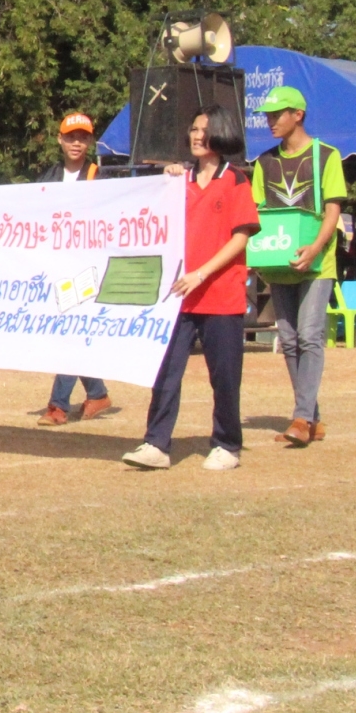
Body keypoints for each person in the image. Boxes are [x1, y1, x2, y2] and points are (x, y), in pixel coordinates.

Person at [124, 106, 259, 472]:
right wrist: (166, 178)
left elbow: (241, 237)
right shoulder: (179, 179)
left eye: (204, 130)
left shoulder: (236, 181)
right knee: (166, 374)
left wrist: (201, 273)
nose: (197, 136)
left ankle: (227, 444)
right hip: (178, 298)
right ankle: (156, 443)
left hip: (222, 296)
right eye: (194, 129)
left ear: (221, 133)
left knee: (224, 377)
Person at [251, 86, 347, 444]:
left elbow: (333, 210)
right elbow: (256, 211)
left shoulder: (326, 156)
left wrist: (315, 247)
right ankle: (311, 417)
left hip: (318, 263)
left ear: (298, 115)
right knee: (289, 339)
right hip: (278, 261)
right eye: (268, 115)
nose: (270, 121)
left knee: (309, 335)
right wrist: (257, 255)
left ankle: (302, 417)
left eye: (277, 114)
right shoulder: (264, 162)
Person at [34, 113, 114, 425]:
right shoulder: (48, 177)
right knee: (72, 333)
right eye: (71, 137)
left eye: (82, 137)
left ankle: (58, 405)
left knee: (69, 333)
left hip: (86, 267)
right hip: (57, 265)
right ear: (60, 139)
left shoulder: (98, 177)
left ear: (90, 141)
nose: (76, 143)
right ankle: (97, 393)